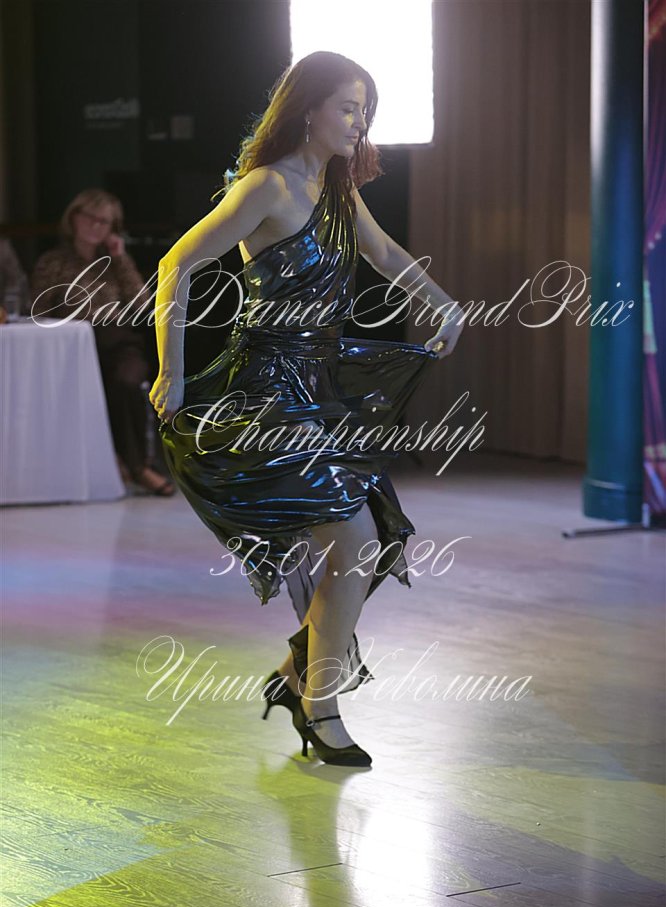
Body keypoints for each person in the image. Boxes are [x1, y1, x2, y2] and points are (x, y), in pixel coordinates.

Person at [151, 51, 465, 766]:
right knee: (356, 537)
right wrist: (172, 370)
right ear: (308, 110)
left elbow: (385, 254)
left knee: (370, 539)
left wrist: (445, 305)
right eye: (348, 108)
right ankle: (319, 705)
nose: (359, 123)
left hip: (320, 386)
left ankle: (299, 677)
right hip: (267, 388)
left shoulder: (337, 188)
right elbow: (177, 264)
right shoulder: (266, 186)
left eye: (364, 111)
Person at [31, 188, 175, 496]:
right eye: (90, 218)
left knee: (127, 381)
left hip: (118, 340)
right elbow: (39, 313)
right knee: (82, 387)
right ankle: (118, 465)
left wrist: (120, 258)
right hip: (72, 345)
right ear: (74, 218)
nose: (96, 226)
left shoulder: (114, 261)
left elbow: (142, 303)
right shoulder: (53, 262)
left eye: (105, 222)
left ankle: (138, 466)